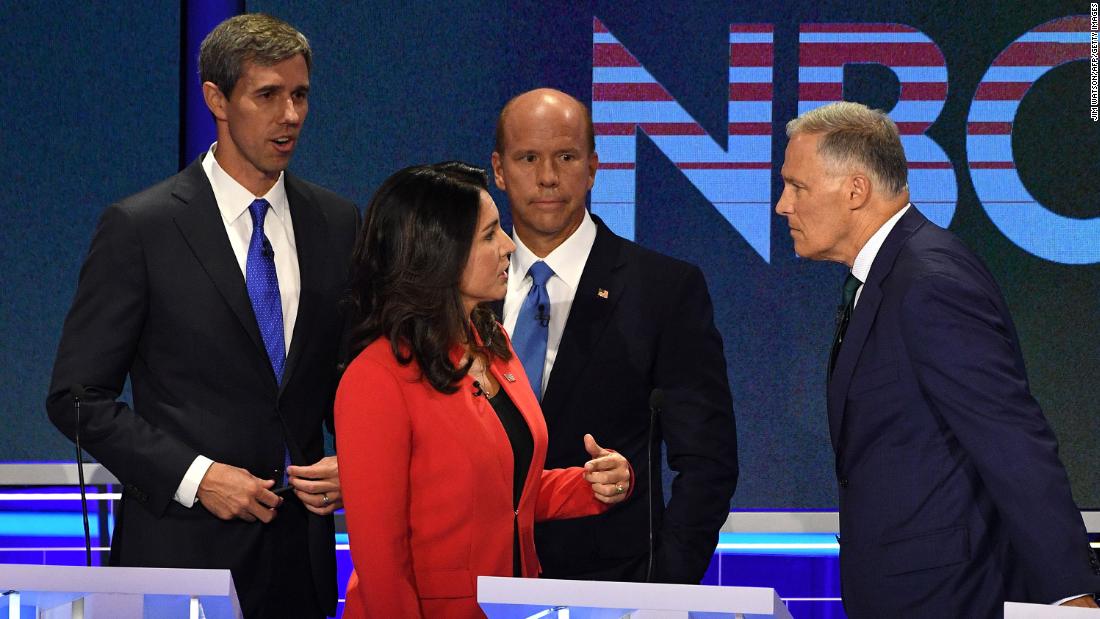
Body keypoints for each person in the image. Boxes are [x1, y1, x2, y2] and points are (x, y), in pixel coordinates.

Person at [45, 14, 358, 618]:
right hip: (180, 561)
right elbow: (76, 397)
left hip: (302, 567)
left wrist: (357, 461)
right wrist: (198, 476)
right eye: (267, 95)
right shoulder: (142, 228)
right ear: (216, 98)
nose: (290, 115)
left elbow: (344, 382)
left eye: (300, 95)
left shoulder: (337, 223)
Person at [776, 100, 1100, 617]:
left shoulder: (929, 281)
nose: (782, 205)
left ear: (855, 190)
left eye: (798, 186)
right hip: (900, 591)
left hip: (946, 597)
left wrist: (1068, 592)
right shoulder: (886, 273)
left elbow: (1011, 438)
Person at [335, 161, 631, 618]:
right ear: (440, 253)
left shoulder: (493, 342)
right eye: (490, 235)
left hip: (516, 605)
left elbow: (504, 490)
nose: (510, 246)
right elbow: (381, 563)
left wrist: (590, 486)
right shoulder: (376, 379)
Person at [490, 88, 739, 584]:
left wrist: (663, 592)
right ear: (498, 170)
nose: (547, 177)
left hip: (612, 589)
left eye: (566, 156)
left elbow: (707, 463)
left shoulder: (664, 289)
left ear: (593, 167)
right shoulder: (461, 289)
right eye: (528, 158)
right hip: (477, 585)